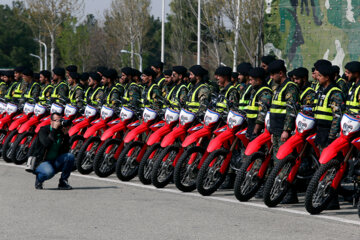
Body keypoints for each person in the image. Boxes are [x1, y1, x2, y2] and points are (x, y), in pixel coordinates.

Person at [34, 112, 74, 190]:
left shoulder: (61, 132)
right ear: (51, 121)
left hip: (55, 161)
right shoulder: (44, 130)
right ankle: (39, 179)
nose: (59, 123)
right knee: (49, 172)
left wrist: (65, 135)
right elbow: (46, 144)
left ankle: (63, 182)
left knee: (70, 157)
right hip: (41, 161)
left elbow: (66, 150)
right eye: (57, 120)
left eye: (61, 120)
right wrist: (54, 130)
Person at [245, 67, 273, 140]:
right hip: (251, 125)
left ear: (258, 80)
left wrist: (256, 130)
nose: (249, 82)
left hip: (259, 129)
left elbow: (262, 113)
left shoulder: (265, 92)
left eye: (251, 80)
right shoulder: (255, 90)